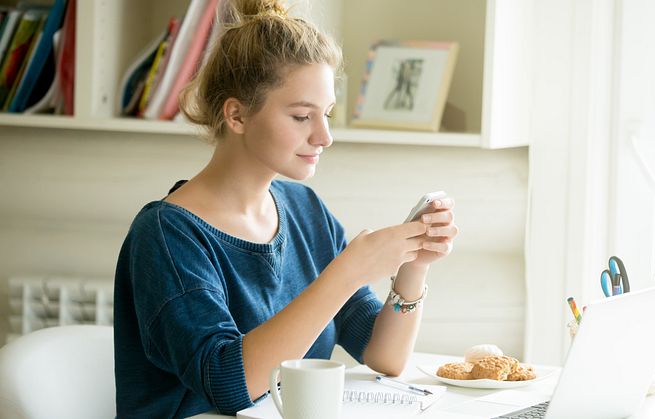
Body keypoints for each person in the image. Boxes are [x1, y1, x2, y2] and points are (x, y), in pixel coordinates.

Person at [113, 0, 458, 417]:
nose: (325, 136)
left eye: (326, 114)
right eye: (301, 116)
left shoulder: (303, 208)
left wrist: (413, 266)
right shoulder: (167, 235)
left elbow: (384, 356)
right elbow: (228, 384)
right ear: (237, 115)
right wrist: (347, 271)